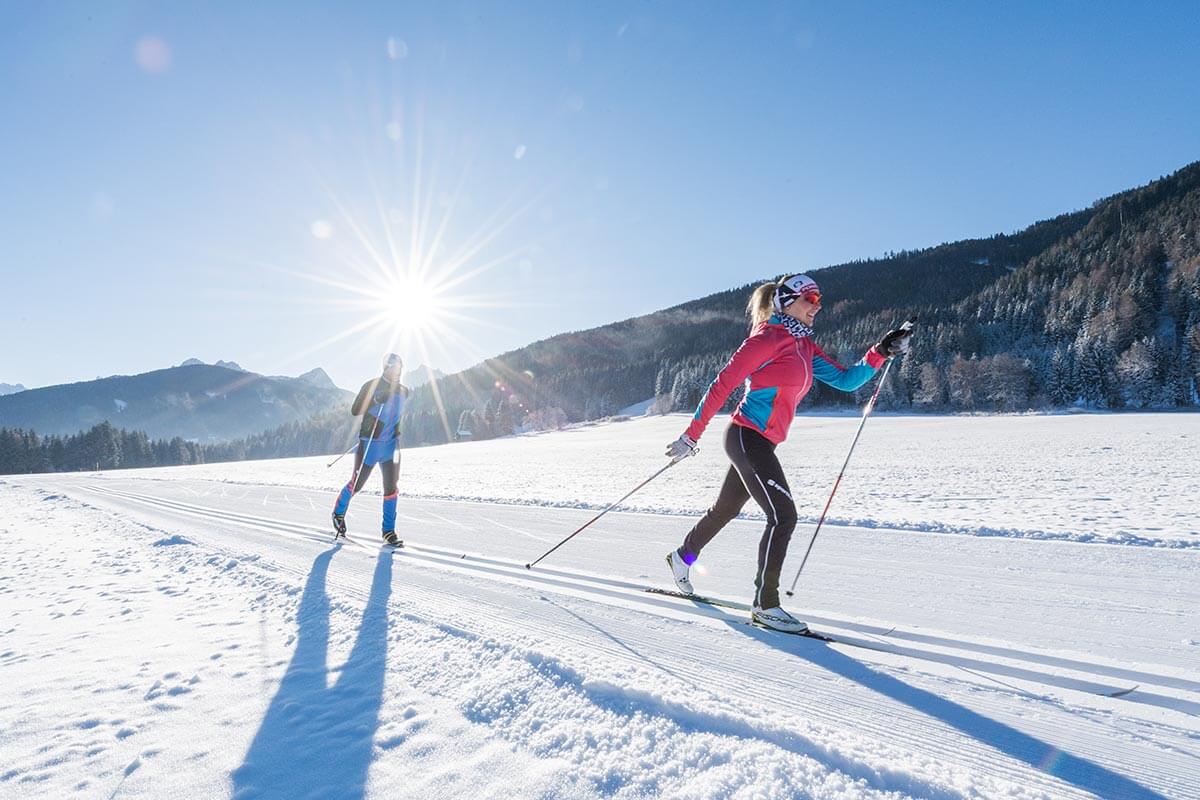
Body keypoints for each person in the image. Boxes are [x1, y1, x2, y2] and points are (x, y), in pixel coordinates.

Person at [663, 274, 911, 632]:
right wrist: (691, 436)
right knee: (784, 515)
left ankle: (682, 557)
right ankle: (766, 604)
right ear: (785, 301)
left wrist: (881, 351)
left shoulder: (804, 345)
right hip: (747, 436)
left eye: (818, 299)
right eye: (809, 298)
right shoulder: (767, 338)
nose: (817, 305)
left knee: (726, 509)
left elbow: (846, 380)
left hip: (762, 441)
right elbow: (723, 384)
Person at [331, 353, 410, 545]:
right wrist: (375, 400)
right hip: (370, 444)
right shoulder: (371, 386)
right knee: (357, 484)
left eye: (399, 368)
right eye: (392, 367)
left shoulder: (403, 391)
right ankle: (338, 512)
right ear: (385, 368)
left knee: (391, 488)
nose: (396, 371)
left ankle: (388, 532)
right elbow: (356, 410)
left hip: (391, 446)